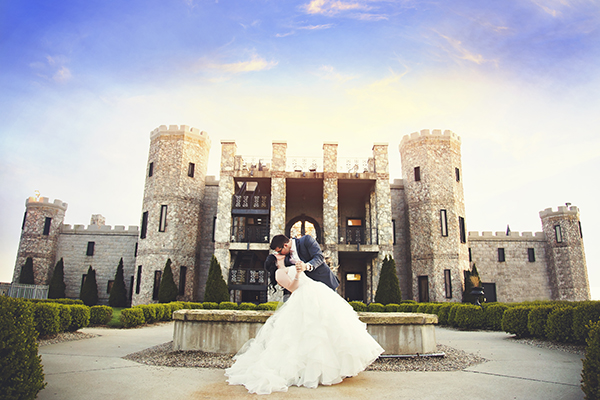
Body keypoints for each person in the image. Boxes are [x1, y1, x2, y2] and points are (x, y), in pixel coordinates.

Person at [224, 253, 384, 395]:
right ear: (275, 261)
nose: (280, 254)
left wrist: (303, 267)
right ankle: (314, 371)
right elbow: (292, 287)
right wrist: (298, 273)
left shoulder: (287, 265)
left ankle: (336, 367)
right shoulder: (279, 273)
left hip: (315, 292)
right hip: (303, 297)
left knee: (326, 327)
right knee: (308, 332)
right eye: (277, 255)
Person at [270, 234, 339, 292]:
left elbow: (319, 257)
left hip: (323, 281)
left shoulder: (306, 240)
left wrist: (306, 266)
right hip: (307, 289)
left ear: (285, 245)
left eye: (279, 251)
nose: (279, 254)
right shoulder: (285, 258)